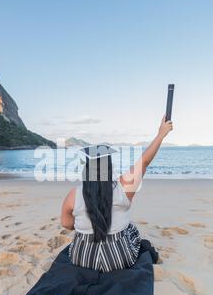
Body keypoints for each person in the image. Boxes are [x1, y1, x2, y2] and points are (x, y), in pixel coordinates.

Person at [61, 116, 173, 272]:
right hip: (118, 258)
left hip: (82, 257)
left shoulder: (73, 195)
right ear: (109, 167)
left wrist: (86, 224)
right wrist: (161, 134)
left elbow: (66, 224)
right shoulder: (123, 187)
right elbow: (145, 161)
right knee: (131, 230)